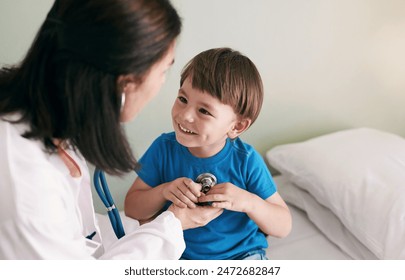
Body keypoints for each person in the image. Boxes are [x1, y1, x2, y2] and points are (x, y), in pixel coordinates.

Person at [0, 0, 223, 259]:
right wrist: (173, 222)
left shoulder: (54, 124)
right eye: (164, 71)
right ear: (124, 84)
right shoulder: (25, 188)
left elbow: (79, 237)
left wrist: (164, 225)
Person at [124, 48, 292, 260]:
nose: (184, 116)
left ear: (237, 126)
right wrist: (164, 191)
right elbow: (132, 208)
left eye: (204, 111)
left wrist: (249, 202)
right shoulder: (163, 148)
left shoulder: (246, 161)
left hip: (241, 256)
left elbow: (283, 226)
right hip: (180, 255)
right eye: (183, 99)